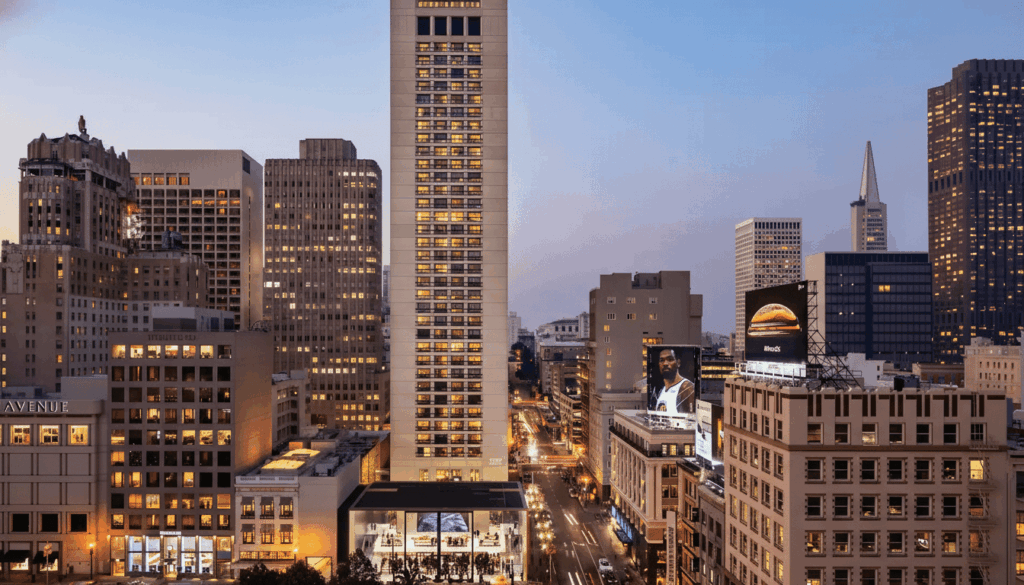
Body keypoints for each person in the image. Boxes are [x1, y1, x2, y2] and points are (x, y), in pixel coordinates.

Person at [651, 348, 695, 414]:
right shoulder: (659, 391)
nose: (665, 363)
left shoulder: (687, 388)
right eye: (662, 360)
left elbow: (692, 418)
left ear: (678, 363)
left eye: (670, 359)